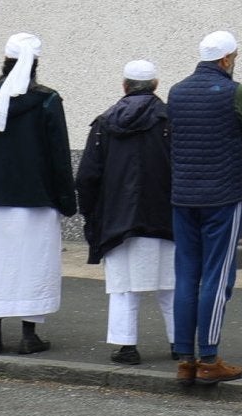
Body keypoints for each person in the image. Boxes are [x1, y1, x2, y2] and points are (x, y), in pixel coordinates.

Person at [0, 33, 77, 356]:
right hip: (36, 198)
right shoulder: (48, 100)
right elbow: (59, 154)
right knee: (34, 265)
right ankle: (29, 334)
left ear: (5, 61)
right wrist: (67, 199)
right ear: (35, 63)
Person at [166, 29, 242, 388]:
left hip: (183, 195)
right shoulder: (235, 92)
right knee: (218, 277)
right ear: (226, 60)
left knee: (186, 275)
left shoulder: (176, 91)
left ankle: (184, 358)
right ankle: (208, 358)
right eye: (234, 57)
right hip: (222, 195)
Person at [75, 59, 175, 364]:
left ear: (124, 86)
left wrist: (92, 214)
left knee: (122, 288)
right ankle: (180, 343)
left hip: (118, 218)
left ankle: (126, 345)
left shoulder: (104, 123)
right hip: (164, 215)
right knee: (171, 285)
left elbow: (86, 177)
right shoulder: (170, 120)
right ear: (156, 85)